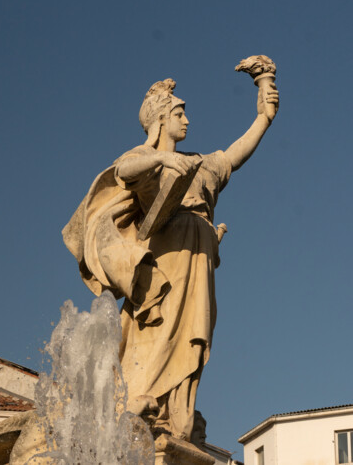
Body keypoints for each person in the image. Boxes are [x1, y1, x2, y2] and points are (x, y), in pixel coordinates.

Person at [63, 76, 279, 441]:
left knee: (192, 336)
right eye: (180, 113)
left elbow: (232, 156)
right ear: (161, 119)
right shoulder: (144, 158)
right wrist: (161, 157)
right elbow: (122, 173)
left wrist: (263, 118)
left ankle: (176, 411)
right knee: (159, 332)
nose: (187, 120)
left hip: (197, 259)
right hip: (166, 260)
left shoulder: (200, 164)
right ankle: (142, 404)